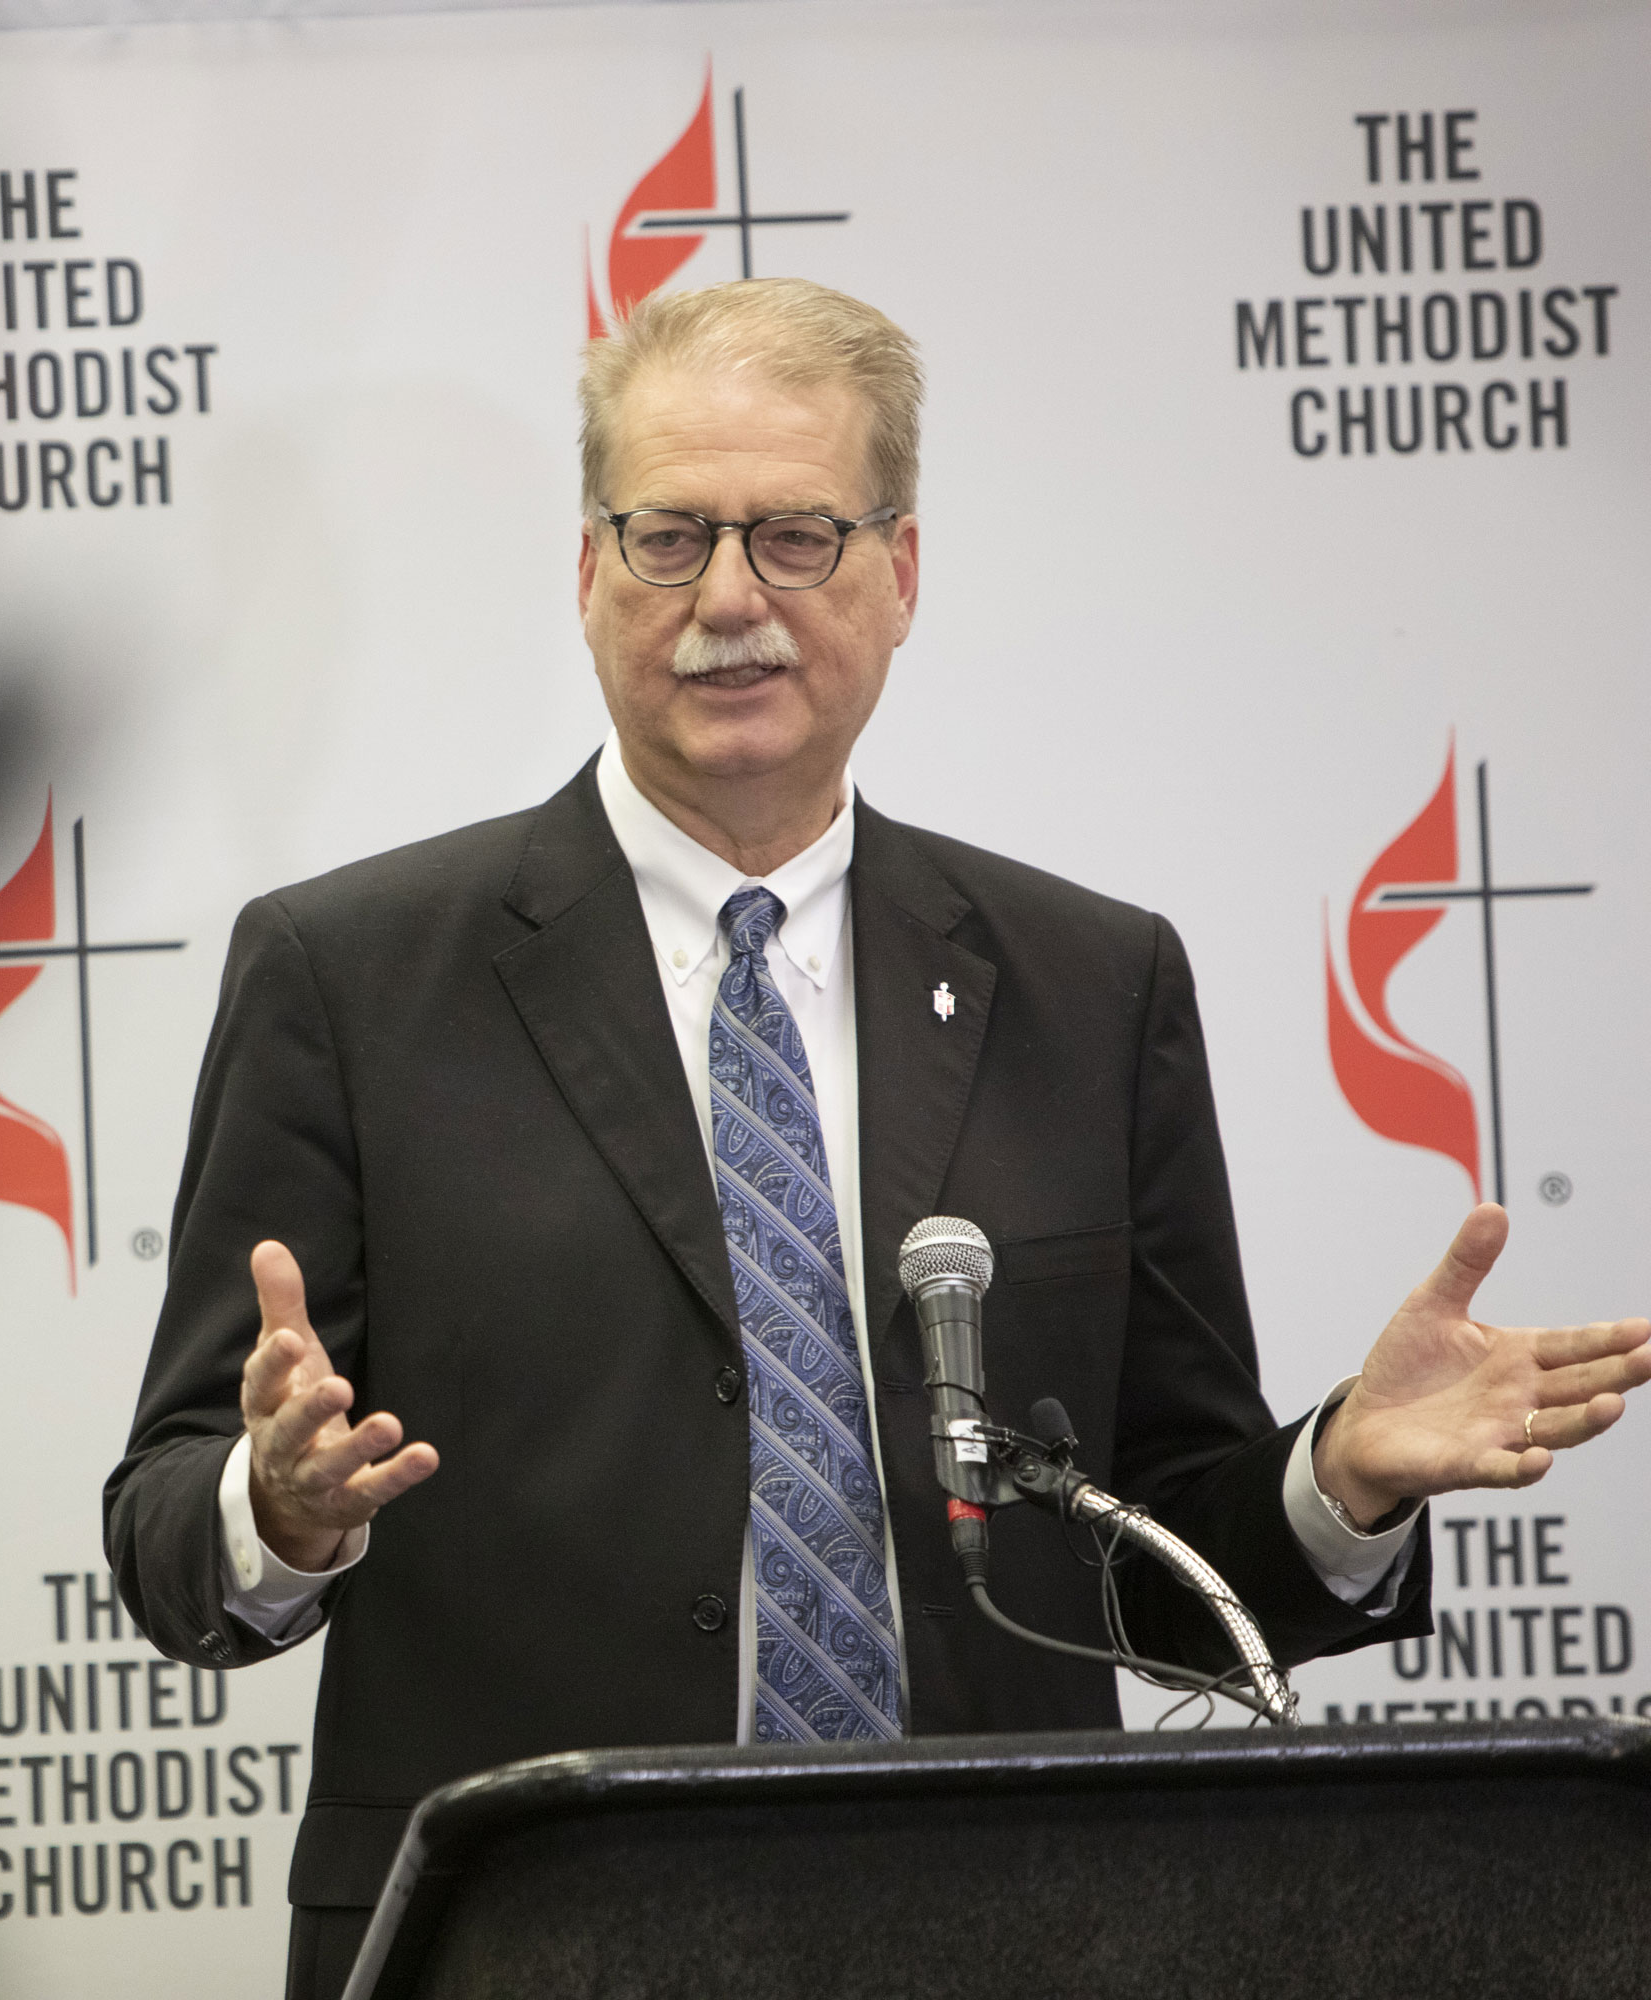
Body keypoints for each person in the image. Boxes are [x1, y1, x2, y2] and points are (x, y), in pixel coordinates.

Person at [101, 277, 1651, 2000]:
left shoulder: (1089, 981)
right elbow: (166, 1527)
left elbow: (1150, 1556)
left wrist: (1343, 1476)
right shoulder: (351, 973)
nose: (730, 604)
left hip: (1008, 1932)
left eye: (799, 537)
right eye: (673, 536)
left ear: (903, 573)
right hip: (534, 1943)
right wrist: (282, 1511)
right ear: (589, 567)